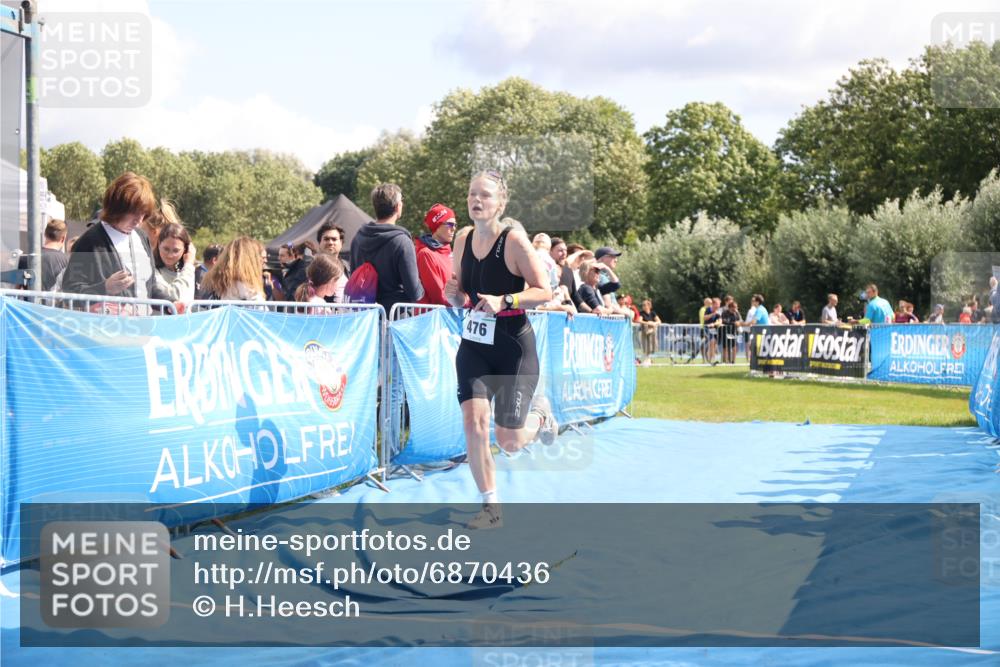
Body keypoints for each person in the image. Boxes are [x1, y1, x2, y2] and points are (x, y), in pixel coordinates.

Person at [444, 170, 556, 529]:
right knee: (473, 422)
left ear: (501, 203)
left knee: (508, 441)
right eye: (472, 194)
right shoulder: (461, 239)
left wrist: (505, 299)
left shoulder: (515, 242)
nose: (477, 200)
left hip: (513, 347)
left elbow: (544, 291)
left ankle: (541, 417)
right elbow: (459, 288)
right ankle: (490, 507)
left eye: (486, 195)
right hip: (475, 346)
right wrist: (454, 294)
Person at [62, 172, 172, 310]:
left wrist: (171, 304)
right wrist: (105, 288)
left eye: (143, 213)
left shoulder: (141, 237)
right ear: (117, 207)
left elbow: (150, 287)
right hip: (107, 328)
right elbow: (69, 291)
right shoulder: (90, 241)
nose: (139, 220)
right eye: (134, 212)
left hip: (143, 326)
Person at [350, 183, 423, 311]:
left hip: (365, 318)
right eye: (402, 201)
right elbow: (414, 291)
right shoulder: (402, 242)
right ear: (397, 207)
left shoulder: (357, 239)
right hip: (395, 318)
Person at [200, 236, 267, 302]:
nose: (262, 260)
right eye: (257, 255)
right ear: (250, 258)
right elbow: (260, 309)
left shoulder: (215, 279)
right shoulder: (246, 287)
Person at [415, 203, 456, 306]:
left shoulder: (451, 254)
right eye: (450, 224)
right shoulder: (425, 254)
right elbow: (439, 296)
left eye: (455, 225)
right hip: (431, 319)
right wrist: (466, 303)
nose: (454, 228)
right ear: (437, 226)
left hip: (450, 316)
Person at [153, 221, 196, 303]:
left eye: (176, 250)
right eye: (166, 249)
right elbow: (173, 296)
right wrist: (188, 266)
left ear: (185, 250)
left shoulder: (187, 271)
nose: (170, 255)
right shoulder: (152, 270)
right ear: (158, 245)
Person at [594, 247, 626, 314]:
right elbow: (608, 304)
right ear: (601, 259)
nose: (616, 260)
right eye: (612, 257)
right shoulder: (599, 277)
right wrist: (625, 313)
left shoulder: (605, 276)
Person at [638, 299, 661, 365]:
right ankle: (646, 361)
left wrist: (654, 323)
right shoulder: (641, 313)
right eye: (643, 305)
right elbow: (639, 321)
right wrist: (648, 323)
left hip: (652, 332)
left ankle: (648, 360)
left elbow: (659, 321)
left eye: (645, 305)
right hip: (643, 332)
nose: (644, 306)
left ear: (649, 306)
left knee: (652, 347)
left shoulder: (653, 313)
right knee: (645, 347)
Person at [720, 297, 741, 364]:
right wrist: (733, 323)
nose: (735, 309)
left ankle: (733, 361)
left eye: (736, 307)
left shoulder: (736, 313)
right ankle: (725, 361)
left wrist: (738, 324)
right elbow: (724, 321)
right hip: (725, 332)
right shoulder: (724, 313)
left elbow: (739, 321)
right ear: (730, 307)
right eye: (734, 307)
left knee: (734, 347)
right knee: (725, 347)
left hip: (733, 332)